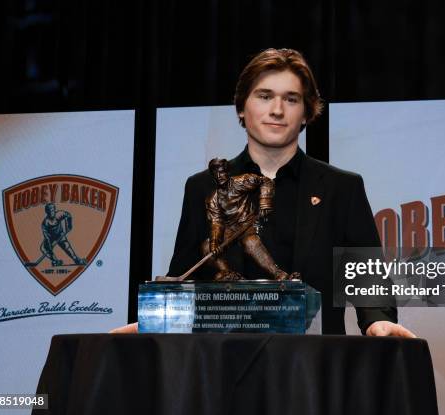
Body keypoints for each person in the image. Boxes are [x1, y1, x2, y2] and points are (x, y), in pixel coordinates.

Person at [166, 48, 414, 337]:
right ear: (241, 108)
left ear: (306, 113)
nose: (277, 110)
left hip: (313, 368)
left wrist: (376, 321)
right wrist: (152, 324)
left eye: (291, 99)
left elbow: (369, 278)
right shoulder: (202, 187)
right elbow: (184, 275)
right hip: (224, 367)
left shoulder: (341, 188)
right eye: (264, 96)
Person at [202, 158, 300, 281]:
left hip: (247, 225)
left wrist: (265, 201)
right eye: (215, 173)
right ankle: (227, 273)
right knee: (207, 247)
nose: (219, 176)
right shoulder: (212, 199)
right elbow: (216, 222)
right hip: (229, 229)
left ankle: (279, 274)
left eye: (221, 172)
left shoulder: (241, 181)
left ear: (228, 172)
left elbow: (265, 181)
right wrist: (215, 242)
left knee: (251, 243)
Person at [40, 203, 86, 267]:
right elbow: (46, 236)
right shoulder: (45, 223)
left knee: (66, 246)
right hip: (51, 237)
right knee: (44, 248)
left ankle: (76, 259)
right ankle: (55, 260)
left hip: (60, 235)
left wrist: (69, 225)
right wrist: (49, 247)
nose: (51, 212)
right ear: (46, 212)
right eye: (49, 210)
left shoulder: (59, 214)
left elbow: (68, 215)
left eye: (52, 210)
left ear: (55, 210)